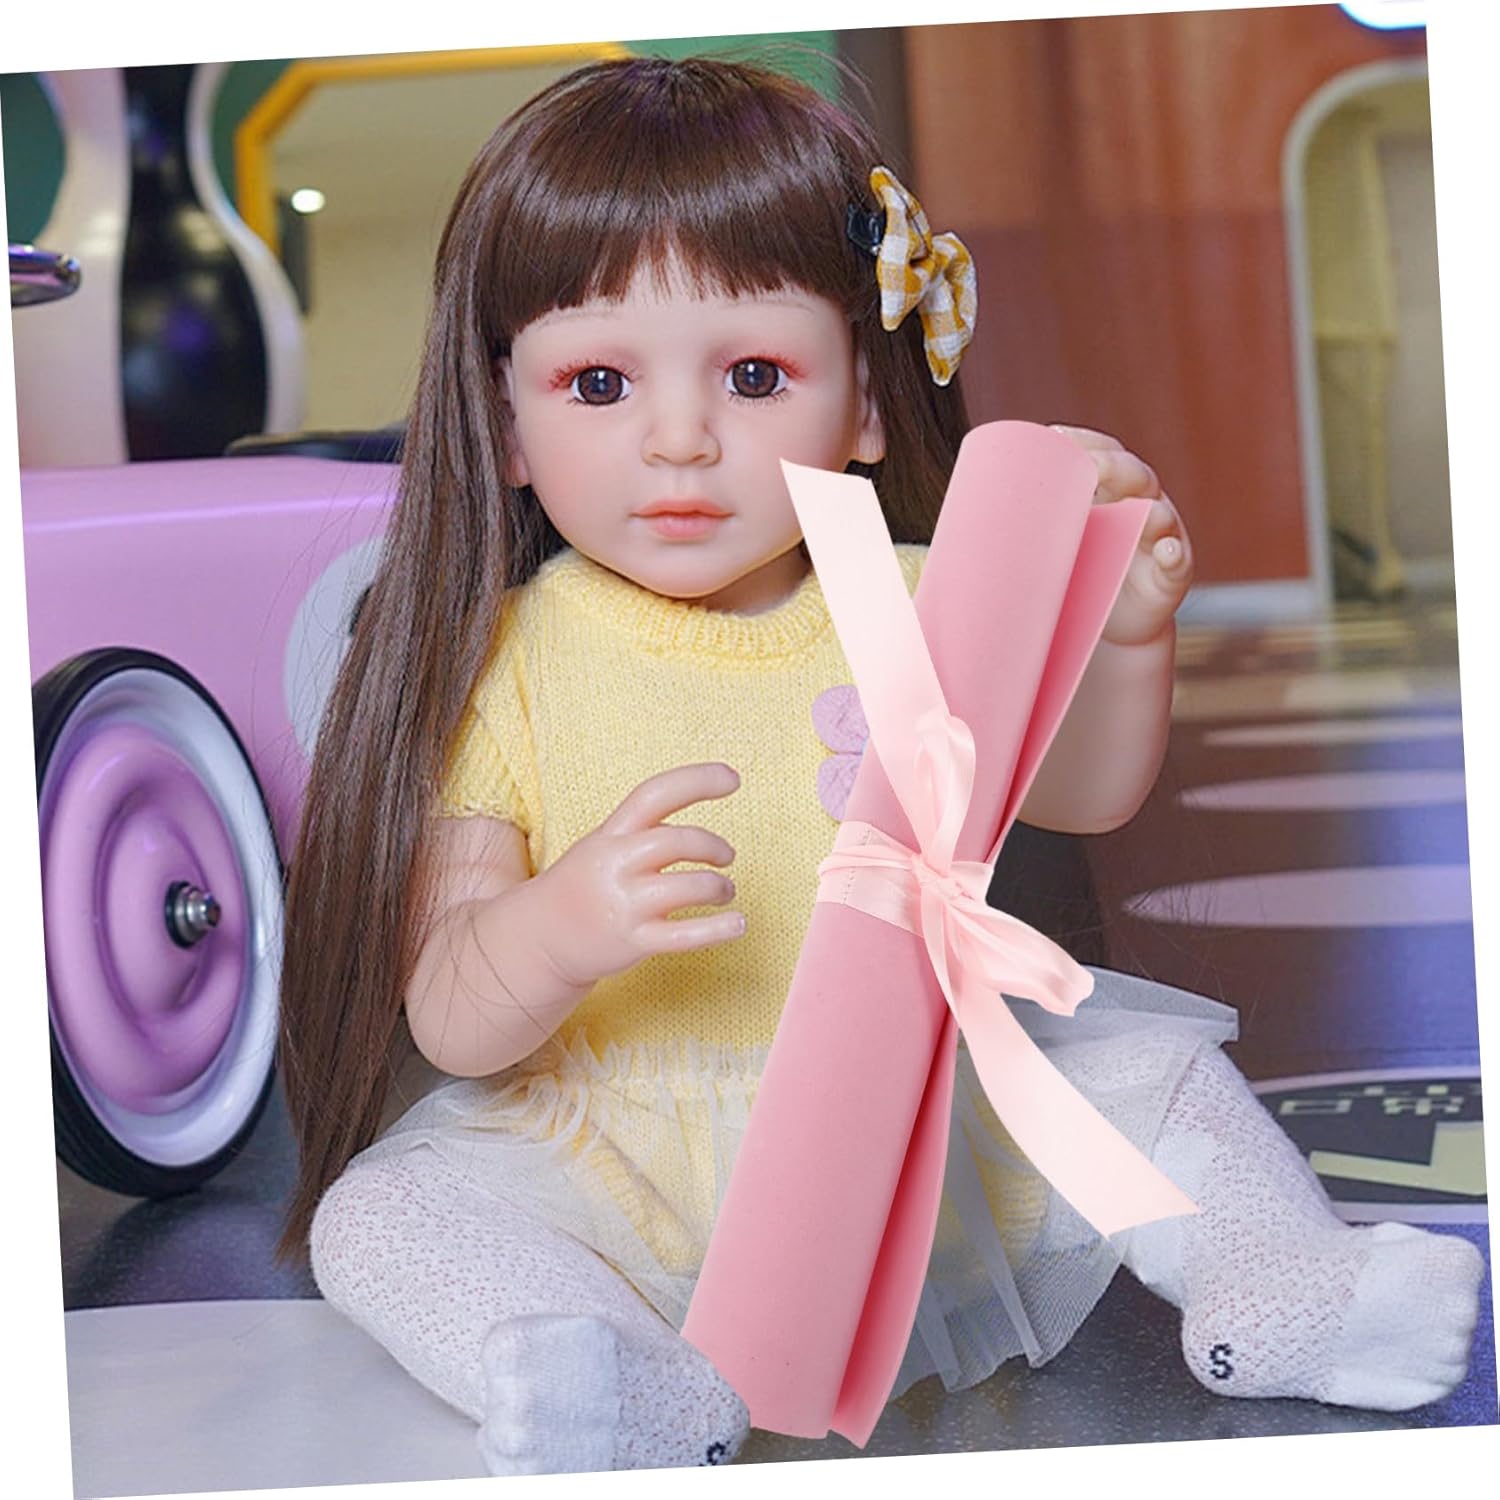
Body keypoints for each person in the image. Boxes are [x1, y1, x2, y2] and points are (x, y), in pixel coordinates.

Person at [276, 55, 1484, 1477]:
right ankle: (617, 1372)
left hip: (916, 1118)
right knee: (380, 1215)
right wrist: (558, 929)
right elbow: (452, 1016)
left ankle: (1285, 1288)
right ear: (505, 423)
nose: (680, 437)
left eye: (755, 375)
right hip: (609, 1154)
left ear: (861, 404)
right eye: (598, 382)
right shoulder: (503, 661)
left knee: (1159, 1083)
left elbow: (1078, 791)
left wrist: (1128, 632)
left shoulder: (914, 594)